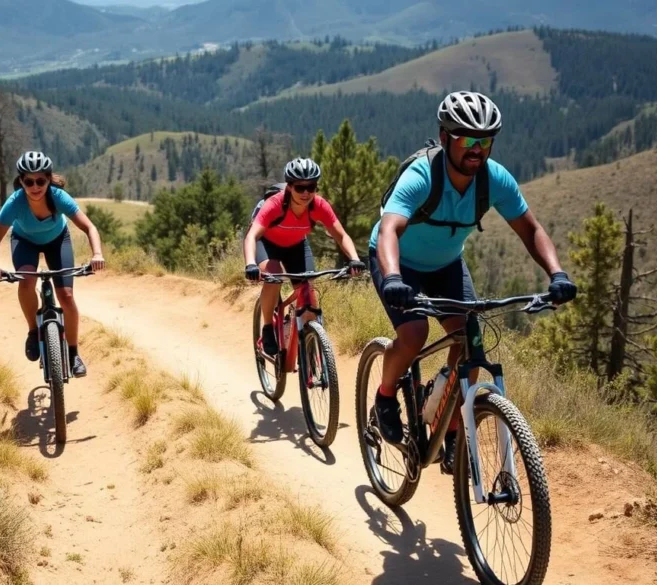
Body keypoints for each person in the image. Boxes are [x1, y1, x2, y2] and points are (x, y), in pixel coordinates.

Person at [369, 91, 578, 474]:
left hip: (447, 265)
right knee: (414, 334)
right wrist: (394, 278)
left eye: (485, 141)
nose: (476, 149)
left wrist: (557, 273)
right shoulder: (421, 176)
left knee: (470, 344)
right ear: (445, 137)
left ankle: (449, 428)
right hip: (398, 262)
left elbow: (531, 231)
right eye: (467, 139)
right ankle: (384, 396)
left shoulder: (494, 180)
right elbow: (389, 230)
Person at [0, 151, 105, 378]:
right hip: (24, 242)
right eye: (29, 181)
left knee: (66, 296)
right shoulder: (15, 203)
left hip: (57, 240)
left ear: (49, 179)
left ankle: (73, 354)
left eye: (41, 180)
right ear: (21, 181)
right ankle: (32, 330)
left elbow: (90, 228)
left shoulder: (58, 197)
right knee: (26, 281)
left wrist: (97, 254)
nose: (35, 186)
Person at [243, 157, 366, 356]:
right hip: (265, 243)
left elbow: (341, 235)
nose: (306, 193)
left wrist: (354, 259)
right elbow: (252, 235)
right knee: (274, 275)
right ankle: (267, 327)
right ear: (289, 187)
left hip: (296, 245)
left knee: (308, 289)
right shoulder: (275, 204)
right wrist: (250, 263)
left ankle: (309, 343)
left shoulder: (319, 205)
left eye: (312, 187)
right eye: (300, 188)